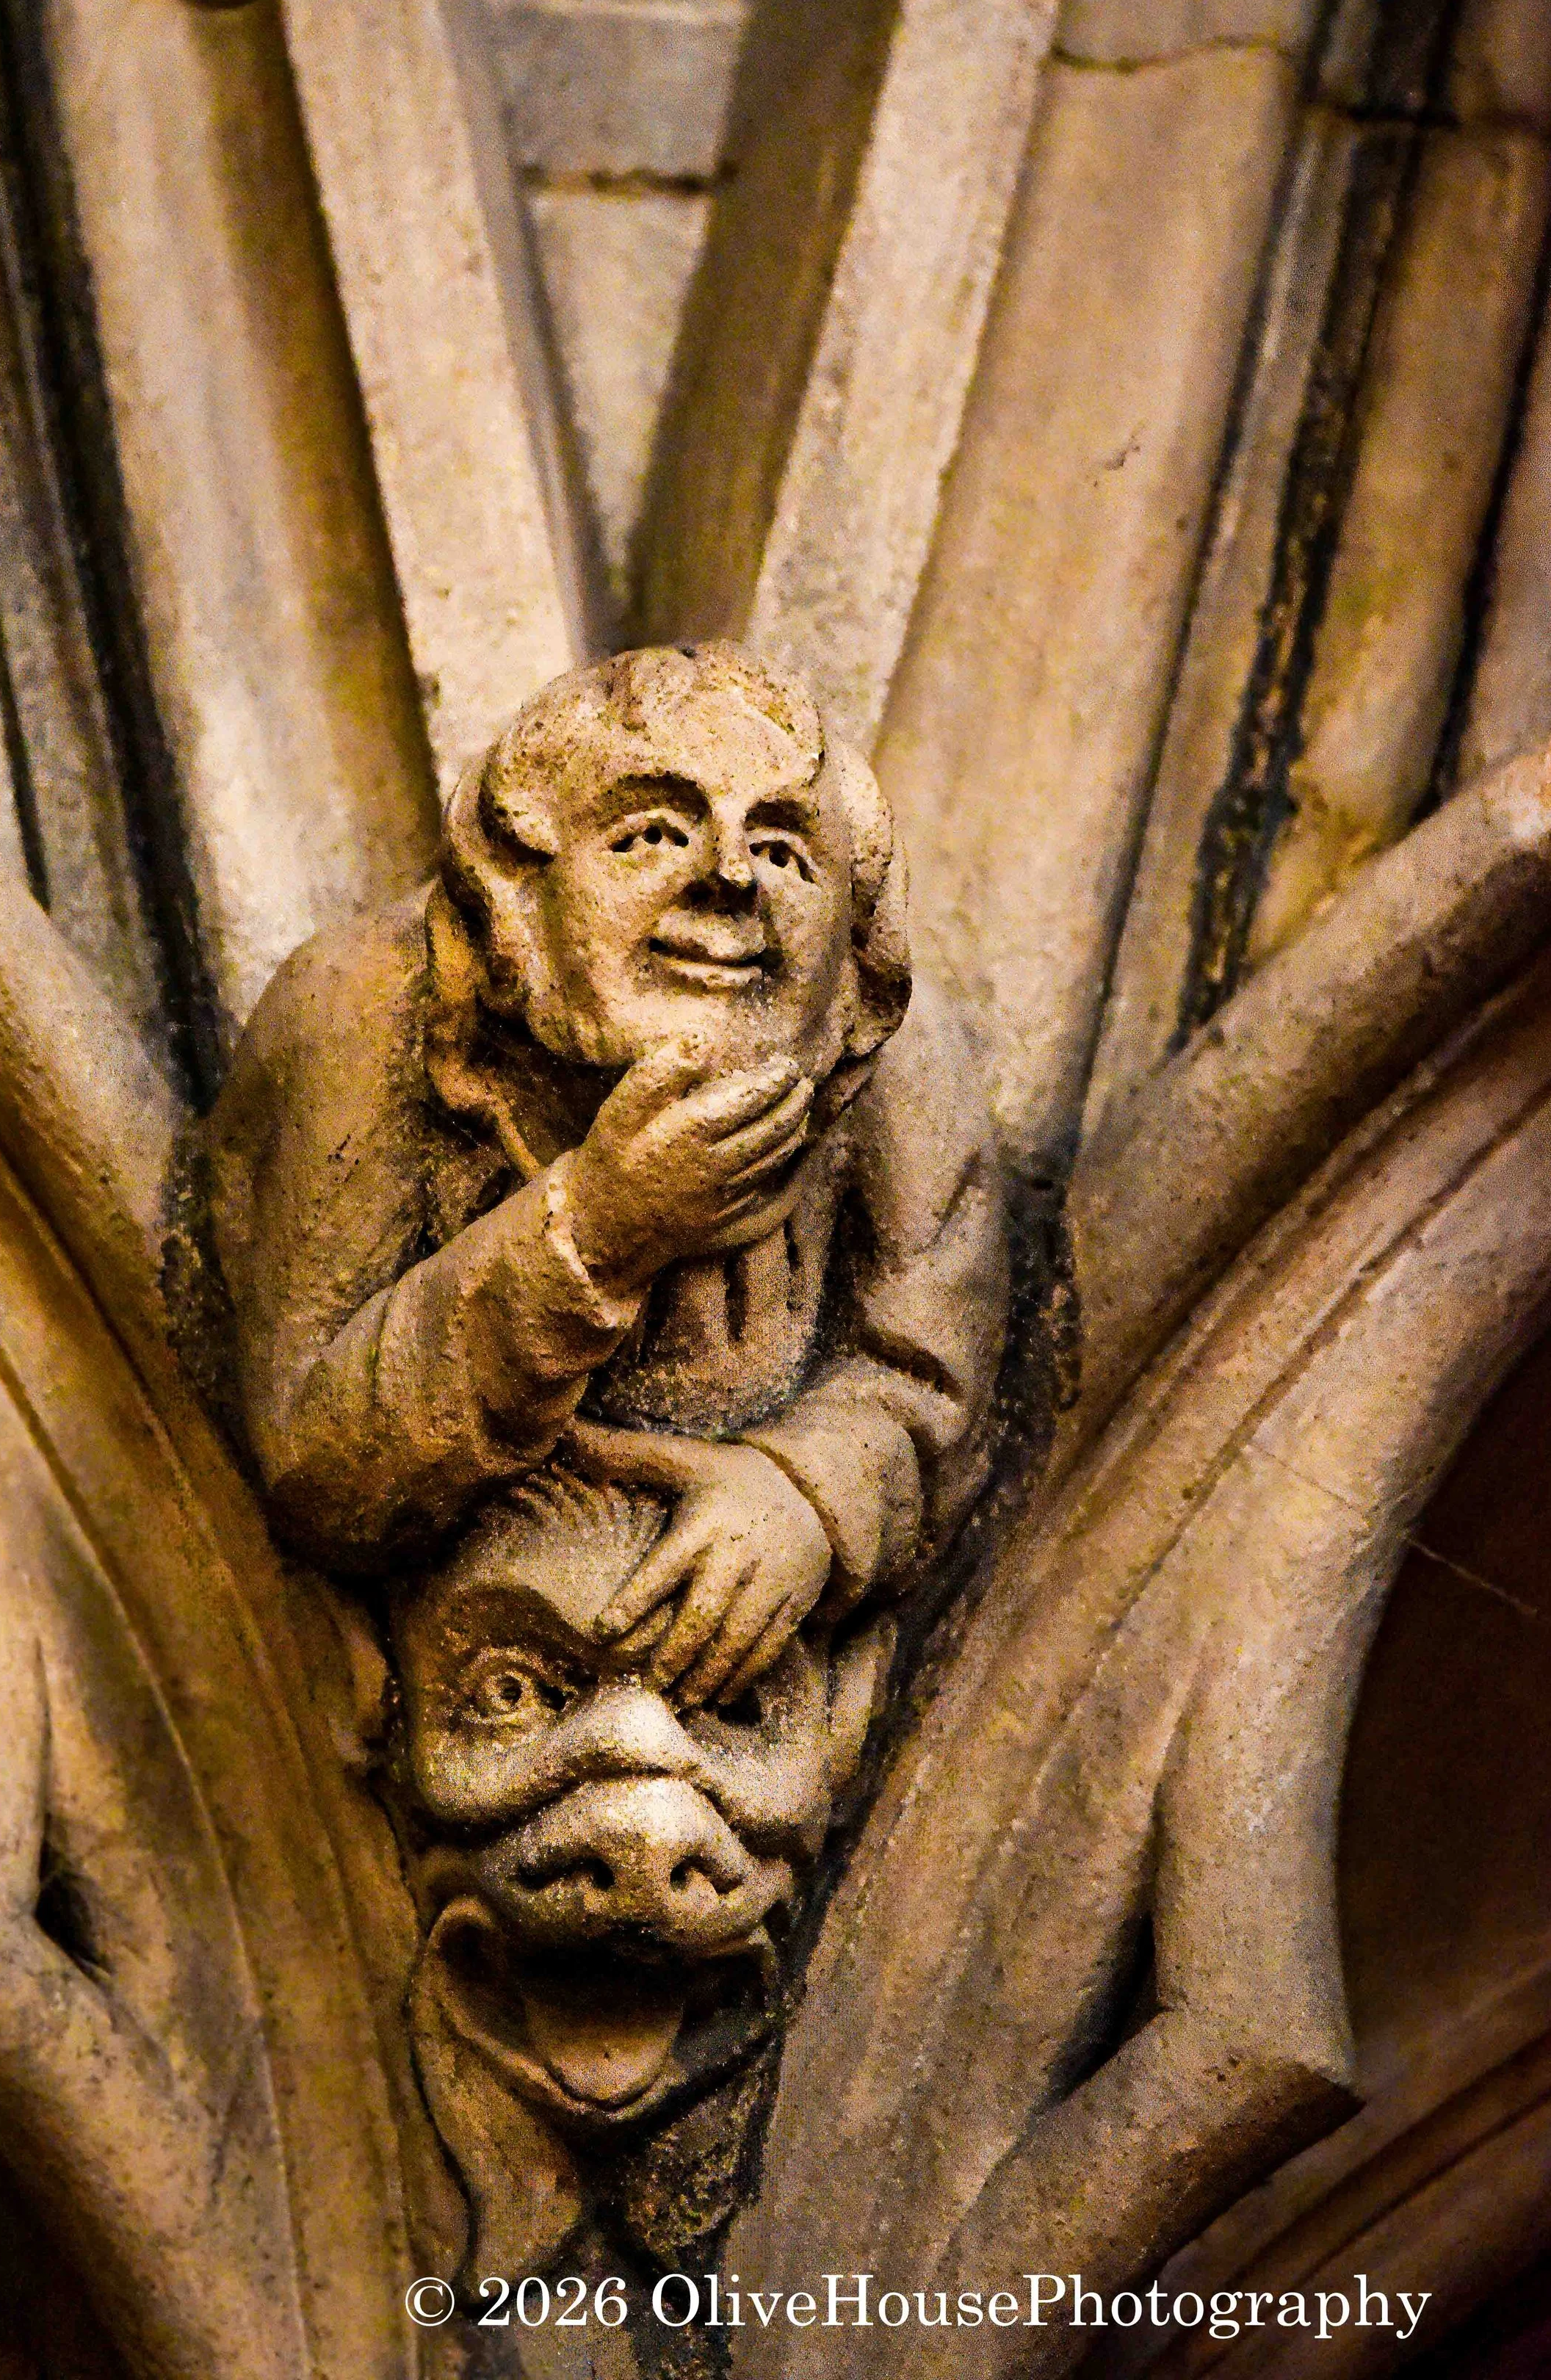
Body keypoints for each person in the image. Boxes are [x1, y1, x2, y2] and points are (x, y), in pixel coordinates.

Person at [208, 643, 1007, 1709]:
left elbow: (929, 1383)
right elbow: (319, 1466)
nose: (728, 878)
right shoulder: (360, 1017)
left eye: (783, 850)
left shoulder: (890, 1057)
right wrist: (595, 1230)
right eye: (654, 835)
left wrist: (809, 1499)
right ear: (518, 901)